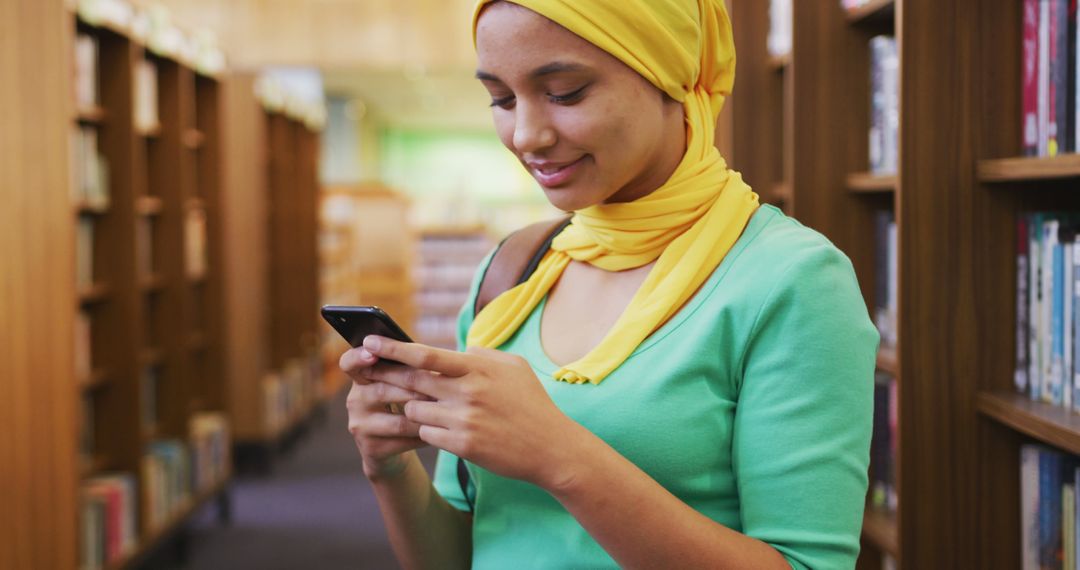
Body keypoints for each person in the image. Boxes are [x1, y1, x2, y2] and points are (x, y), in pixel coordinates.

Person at [339, 0, 879, 568]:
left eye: (566, 92)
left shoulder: (790, 280)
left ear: (669, 73)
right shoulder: (512, 271)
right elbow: (467, 554)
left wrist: (561, 457)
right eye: (501, 99)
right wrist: (391, 468)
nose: (526, 135)